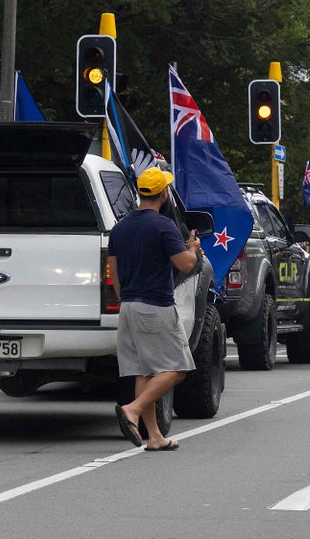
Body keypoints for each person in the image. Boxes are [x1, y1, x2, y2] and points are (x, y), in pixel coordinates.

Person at [108, 167, 201, 451]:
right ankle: (132, 409)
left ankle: (155, 437)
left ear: (139, 193)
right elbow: (185, 264)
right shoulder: (163, 226)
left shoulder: (121, 226)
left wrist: (126, 296)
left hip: (129, 306)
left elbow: (113, 271)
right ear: (163, 194)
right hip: (156, 306)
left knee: (144, 372)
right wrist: (193, 249)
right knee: (178, 368)